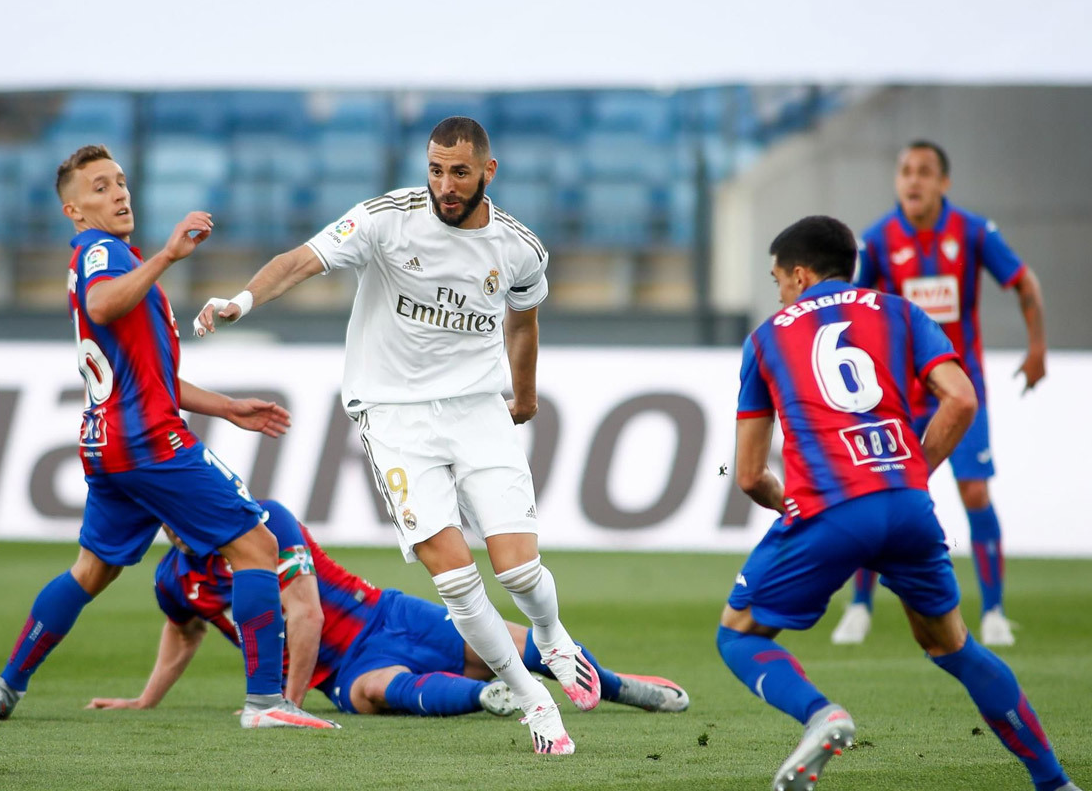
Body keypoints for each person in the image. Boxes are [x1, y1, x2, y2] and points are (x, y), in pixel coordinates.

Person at [194, 117, 597, 755]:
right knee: (457, 581)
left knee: (518, 572)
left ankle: (550, 634)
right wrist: (240, 301)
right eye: (435, 169)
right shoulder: (386, 219)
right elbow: (301, 260)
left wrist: (522, 394)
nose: (444, 184)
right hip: (393, 416)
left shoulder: (520, 247)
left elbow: (524, 320)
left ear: (488, 172)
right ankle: (532, 698)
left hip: (475, 411)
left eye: (459, 171)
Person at [718, 216, 1079, 791]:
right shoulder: (902, 312)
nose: (779, 290)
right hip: (907, 502)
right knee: (952, 643)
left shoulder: (766, 337)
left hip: (829, 509)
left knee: (736, 633)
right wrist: (909, 472)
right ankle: (1054, 781)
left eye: (778, 278)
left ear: (801, 274)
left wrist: (792, 505)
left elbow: (749, 474)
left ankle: (821, 715)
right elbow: (961, 400)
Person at [0, 145, 330, 731]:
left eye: (120, 182)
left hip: (108, 442)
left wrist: (227, 407)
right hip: (148, 442)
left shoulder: (112, 258)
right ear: (74, 210)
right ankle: (266, 704)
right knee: (258, 549)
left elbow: (151, 375)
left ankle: (5, 688)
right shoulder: (102, 254)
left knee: (90, 571)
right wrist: (167, 255)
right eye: (99, 187)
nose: (118, 194)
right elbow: (101, 303)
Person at [85, 499, 689, 720]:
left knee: (506, 641)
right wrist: (146, 700)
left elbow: (307, 617)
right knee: (378, 689)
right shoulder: (176, 579)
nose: (178, 522)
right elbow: (182, 633)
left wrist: (285, 707)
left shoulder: (267, 524)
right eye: (168, 514)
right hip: (344, 673)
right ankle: (490, 698)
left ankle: (614, 686)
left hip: (384, 617)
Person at [831, 140, 1048, 647]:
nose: (913, 180)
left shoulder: (972, 232)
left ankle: (993, 611)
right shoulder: (880, 240)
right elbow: (849, 304)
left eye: (924, 171)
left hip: (961, 386)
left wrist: (1037, 348)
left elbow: (1023, 281)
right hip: (900, 395)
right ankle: (860, 606)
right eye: (905, 170)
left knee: (974, 491)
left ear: (943, 183)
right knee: (879, 492)